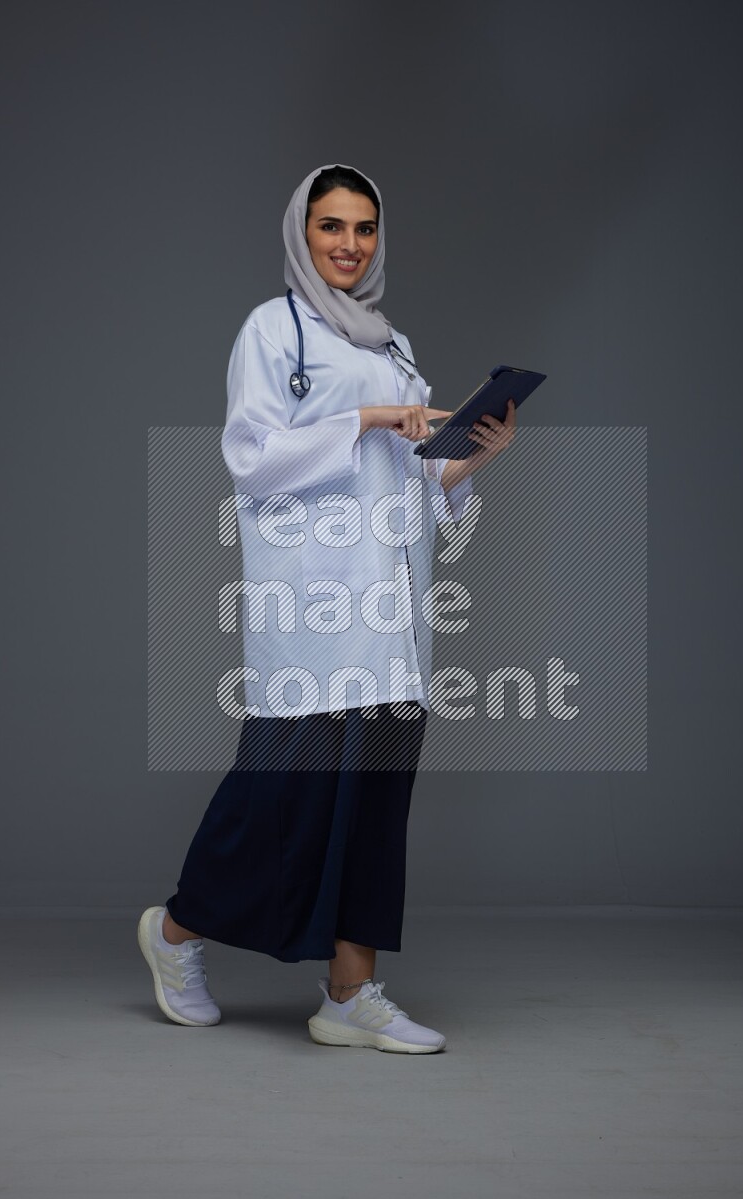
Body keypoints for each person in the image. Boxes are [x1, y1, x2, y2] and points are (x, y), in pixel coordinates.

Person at [138, 163, 516, 1053]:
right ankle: (174, 933)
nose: (349, 245)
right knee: (283, 800)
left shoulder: (397, 347)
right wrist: (362, 422)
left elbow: (420, 484)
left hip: (391, 612)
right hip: (311, 608)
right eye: (331, 227)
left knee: (380, 805)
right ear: (300, 234)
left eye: (364, 229)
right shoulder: (272, 333)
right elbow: (251, 460)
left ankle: (350, 994)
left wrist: (469, 456)